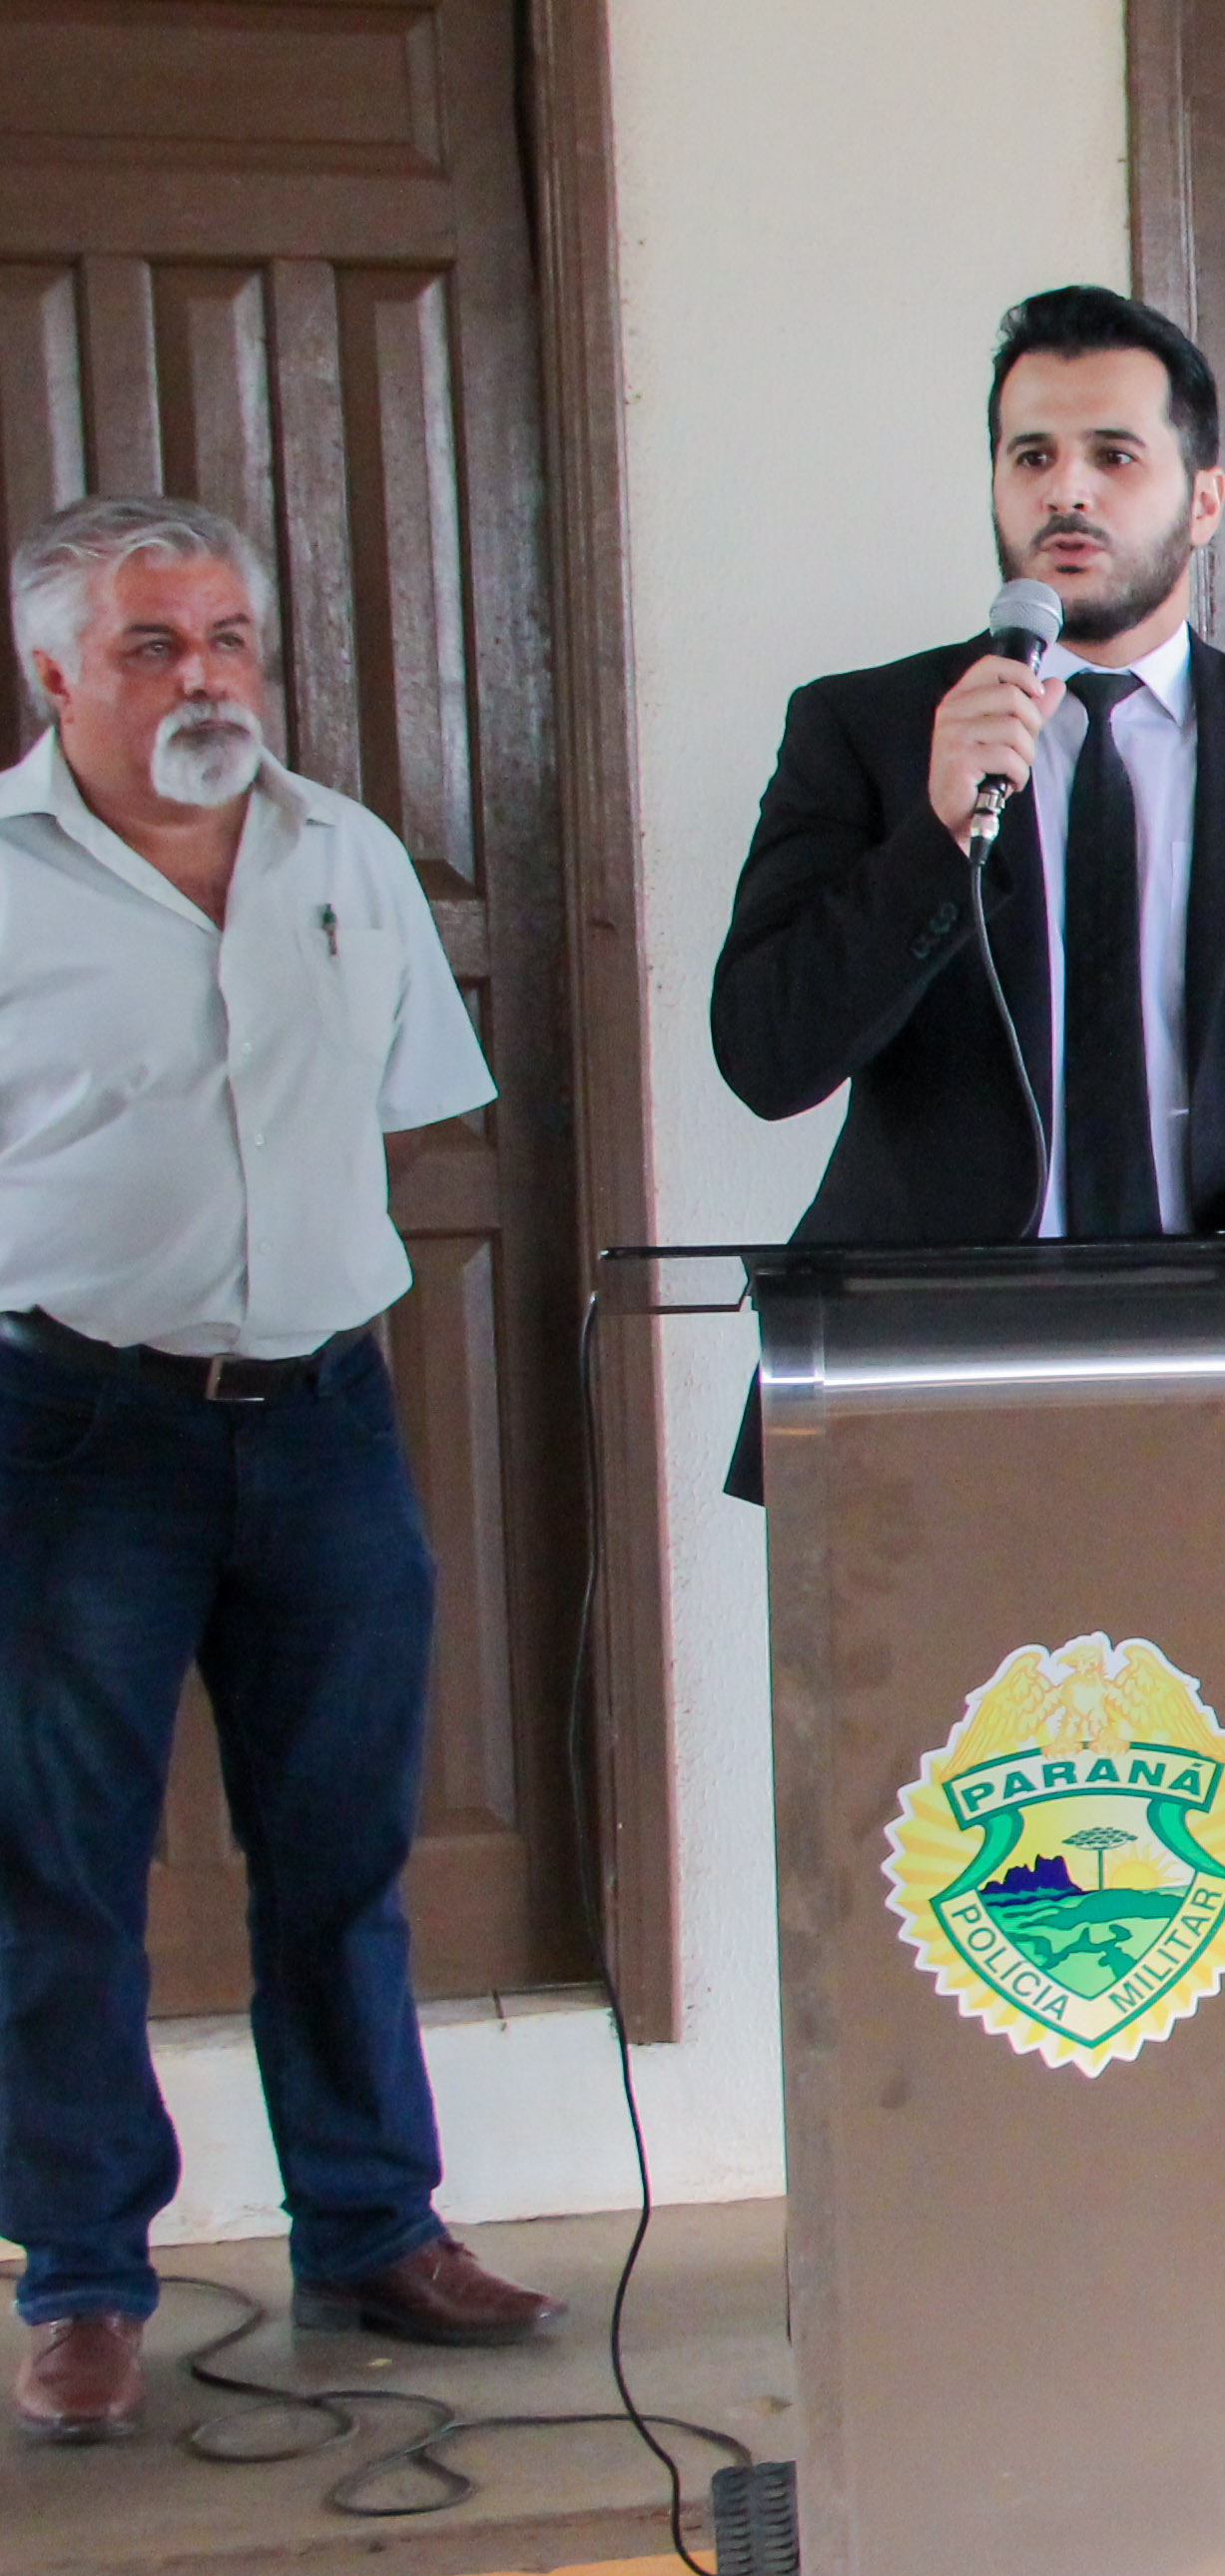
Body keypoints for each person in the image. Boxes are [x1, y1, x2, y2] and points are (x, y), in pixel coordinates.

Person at [1, 493, 567, 2441]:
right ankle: (81, 2269)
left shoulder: (343, 858)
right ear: (55, 670)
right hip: (72, 1429)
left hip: (322, 1419)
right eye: (153, 645)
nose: (205, 676)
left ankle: (370, 2222)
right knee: (59, 1867)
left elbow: (412, 1115)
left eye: (230, 636)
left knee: (342, 1851)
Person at [709, 281, 1225, 1495]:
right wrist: (935, 835)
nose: (1068, 489)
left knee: (1210, 1698)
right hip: (922, 1391)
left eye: (1114, 454)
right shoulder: (869, 728)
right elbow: (765, 1056)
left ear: (1203, 497)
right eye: (1032, 455)